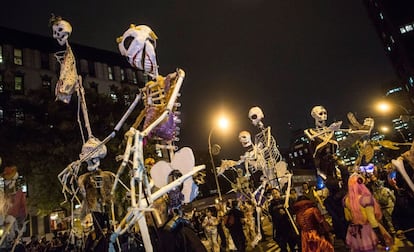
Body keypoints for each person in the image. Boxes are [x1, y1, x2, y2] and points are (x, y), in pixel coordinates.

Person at [343, 174, 393, 251]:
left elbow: (348, 218)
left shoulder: (346, 200)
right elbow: (372, 220)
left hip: (354, 232)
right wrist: (381, 238)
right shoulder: (365, 199)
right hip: (368, 231)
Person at [268, 188, 299, 252]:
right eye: (273, 194)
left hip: (288, 227)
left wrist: (286, 211)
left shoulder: (286, 201)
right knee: (282, 246)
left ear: (279, 193)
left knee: (292, 245)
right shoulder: (271, 205)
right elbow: (272, 215)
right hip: (279, 229)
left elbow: (293, 210)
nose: (275, 195)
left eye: (276, 193)